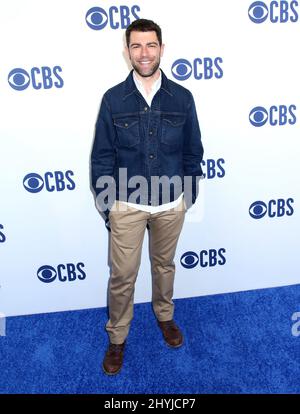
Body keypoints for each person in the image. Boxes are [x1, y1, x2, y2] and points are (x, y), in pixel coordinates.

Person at [91, 19, 204, 375]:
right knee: (122, 276)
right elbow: (102, 156)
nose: (144, 53)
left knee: (164, 267)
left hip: (171, 203)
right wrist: (108, 205)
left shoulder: (182, 97)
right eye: (136, 46)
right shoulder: (113, 99)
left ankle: (165, 316)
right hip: (126, 203)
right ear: (127, 52)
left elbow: (193, 150)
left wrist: (189, 194)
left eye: (151, 45)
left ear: (162, 49)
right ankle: (117, 336)